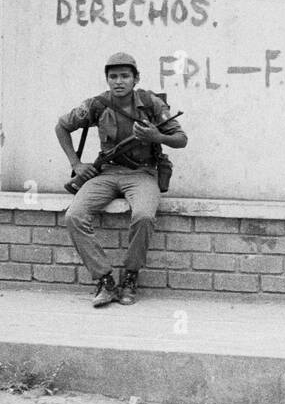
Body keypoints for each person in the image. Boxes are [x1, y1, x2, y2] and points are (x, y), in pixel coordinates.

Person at [55, 52, 187, 308]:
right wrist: (76, 164)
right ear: (107, 79)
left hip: (142, 174)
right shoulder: (97, 104)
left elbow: (181, 139)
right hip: (106, 173)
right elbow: (62, 127)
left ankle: (129, 277)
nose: (119, 81)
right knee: (74, 216)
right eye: (113, 76)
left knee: (144, 216)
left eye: (125, 76)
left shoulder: (151, 104)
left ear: (136, 78)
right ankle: (105, 280)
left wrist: (156, 137)